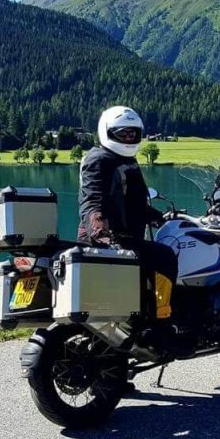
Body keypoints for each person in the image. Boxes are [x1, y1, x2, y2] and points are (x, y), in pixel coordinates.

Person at [78, 106, 188, 354]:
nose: (128, 138)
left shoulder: (124, 160)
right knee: (164, 257)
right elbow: (92, 202)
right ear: (107, 132)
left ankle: (129, 349)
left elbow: (135, 205)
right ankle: (162, 324)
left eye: (133, 133)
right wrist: (101, 235)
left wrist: (160, 217)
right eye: (123, 133)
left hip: (121, 239)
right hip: (109, 240)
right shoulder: (99, 160)